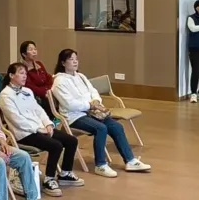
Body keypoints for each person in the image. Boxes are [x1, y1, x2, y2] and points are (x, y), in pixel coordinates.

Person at [52, 49, 151, 178]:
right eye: (71, 59)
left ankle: (130, 160)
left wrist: (96, 101)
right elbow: (69, 104)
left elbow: (93, 91)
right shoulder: (59, 81)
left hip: (92, 112)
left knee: (116, 126)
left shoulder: (80, 76)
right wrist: (90, 105)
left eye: (76, 59)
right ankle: (100, 165)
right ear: (63, 63)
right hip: (74, 116)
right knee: (101, 128)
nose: (75, 61)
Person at [0, 63, 84, 196]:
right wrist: (38, 129)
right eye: (21, 73)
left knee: (71, 140)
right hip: (24, 133)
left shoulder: (27, 91)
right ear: (11, 75)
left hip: (40, 128)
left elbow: (39, 110)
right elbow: (16, 119)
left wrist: (48, 124)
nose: (24, 76)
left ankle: (65, 173)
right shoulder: (5, 95)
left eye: (25, 73)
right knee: (56, 145)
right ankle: (49, 180)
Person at [20, 40, 56, 116]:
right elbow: (29, 86)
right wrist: (45, 92)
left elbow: (48, 78)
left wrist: (49, 90)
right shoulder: (22, 68)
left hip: (47, 92)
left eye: (35, 49)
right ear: (24, 54)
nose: (34, 51)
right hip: (36, 95)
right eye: (31, 50)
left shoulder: (39, 64)